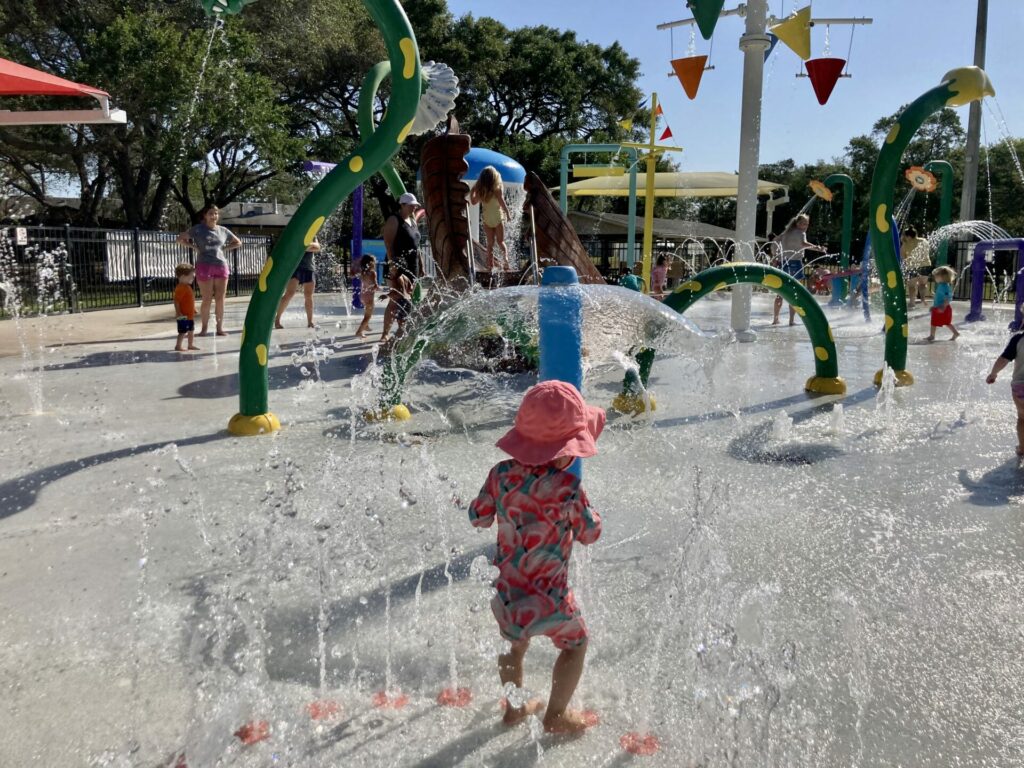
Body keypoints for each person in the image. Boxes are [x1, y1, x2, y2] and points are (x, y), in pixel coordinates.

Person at [468, 380, 605, 734]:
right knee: (576, 644)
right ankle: (556, 714)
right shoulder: (568, 489)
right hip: (553, 598)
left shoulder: (499, 476)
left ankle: (514, 708)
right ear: (564, 450)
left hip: (510, 595)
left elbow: (478, 516)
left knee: (512, 647)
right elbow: (590, 533)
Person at [177, 204, 242, 336]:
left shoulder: (223, 230)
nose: (214, 216)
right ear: (205, 216)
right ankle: (204, 328)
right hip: (204, 265)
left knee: (220, 299)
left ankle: (219, 328)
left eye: (216, 214)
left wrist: (224, 249)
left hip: (221, 265)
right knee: (207, 298)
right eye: (211, 214)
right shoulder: (198, 229)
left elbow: (238, 242)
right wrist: (194, 247)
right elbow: (180, 239)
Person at [772, 214, 827, 326]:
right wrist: (818, 248)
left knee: (780, 292)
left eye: (806, 224)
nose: (805, 226)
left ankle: (775, 319)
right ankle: (791, 321)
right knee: (794, 293)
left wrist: (775, 257)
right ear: (797, 224)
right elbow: (803, 244)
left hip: (783, 263)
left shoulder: (786, 233)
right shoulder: (801, 233)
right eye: (803, 223)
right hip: (795, 264)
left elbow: (774, 242)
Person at [985, 326, 1024, 457]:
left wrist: (993, 374)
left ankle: (1023, 448)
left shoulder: (1018, 339)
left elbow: (1003, 359)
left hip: (1021, 386)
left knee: (1022, 418)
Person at [470, 166, 512, 272]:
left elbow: (473, 202)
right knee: (501, 241)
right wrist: (507, 213)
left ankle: (490, 265)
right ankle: (506, 259)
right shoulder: (497, 189)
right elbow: (502, 203)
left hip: (487, 220)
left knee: (490, 244)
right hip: (498, 218)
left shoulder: (482, 192)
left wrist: (472, 191)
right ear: (494, 177)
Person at [274, 238, 322, 329]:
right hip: (294, 268)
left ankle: (310, 321)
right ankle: (277, 319)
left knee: (309, 295)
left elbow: (318, 247)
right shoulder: (297, 232)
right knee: (289, 293)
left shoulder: (312, 234)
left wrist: (302, 247)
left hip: (309, 268)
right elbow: (291, 248)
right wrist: (308, 247)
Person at [382, 192, 422, 279]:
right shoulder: (394, 219)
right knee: (398, 292)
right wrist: (392, 265)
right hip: (398, 266)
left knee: (410, 292)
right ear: (402, 205)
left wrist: (421, 265)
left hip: (412, 266)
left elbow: (416, 245)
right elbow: (388, 244)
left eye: (415, 205)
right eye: (411, 205)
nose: (414, 208)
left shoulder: (413, 221)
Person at [379, 262, 414, 343]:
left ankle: (401, 339)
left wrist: (386, 296)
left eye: (392, 267)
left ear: (397, 269)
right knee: (404, 322)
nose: (390, 269)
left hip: (401, 302)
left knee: (400, 322)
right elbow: (411, 288)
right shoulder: (405, 277)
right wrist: (408, 293)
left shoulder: (396, 278)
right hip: (408, 301)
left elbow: (397, 292)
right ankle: (405, 337)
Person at [901, 226, 932, 307]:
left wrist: (907, 260)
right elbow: (927, 251)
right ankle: (923, 300)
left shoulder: (906, 244)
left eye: (905, 236)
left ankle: (912, 302)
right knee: (922, 284)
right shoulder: (923, 241)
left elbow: (903, 255)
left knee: (911, 286)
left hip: (912, 266)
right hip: (925, 265)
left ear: (908, 236)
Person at [927, 265, 959, 342]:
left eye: (936, 276)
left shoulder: (945, 287)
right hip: (938, 307)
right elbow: (942, 296)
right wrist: (935, 295)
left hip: (942, 308)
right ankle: (932, 335)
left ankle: (955, 333)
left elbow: (947, 298)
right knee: (934, 322)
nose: (935, 278)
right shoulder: (942, 286)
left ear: (942, 277)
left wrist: (943, 307)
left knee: (946, 322)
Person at [173, 263, 199, 352]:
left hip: (189, 315)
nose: (193, 278)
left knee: (191, 330)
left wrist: (193, 308)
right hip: (183, 315)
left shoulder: (187, 287)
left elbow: (189, 300)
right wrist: (178, 312)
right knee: (183, 331)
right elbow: (176, 301)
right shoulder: (181, 288)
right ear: (183, 276)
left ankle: (190, 345)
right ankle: (178, 346)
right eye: (191, 276)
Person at [354, 255, 379, 339]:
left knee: (366, 311)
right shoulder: (373, 273)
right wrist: (379, 288)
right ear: (371, 263)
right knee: (368, 316)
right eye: (374, 262)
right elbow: (375, 285)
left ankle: (366, 326)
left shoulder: (362, 272)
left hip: (363, 296)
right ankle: (359, 331)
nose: (375, 263)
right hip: (369, 297)